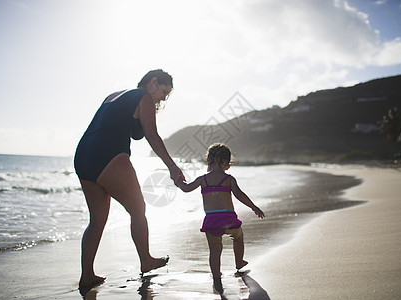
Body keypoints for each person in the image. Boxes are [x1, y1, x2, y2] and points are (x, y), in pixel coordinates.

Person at [74, 69, 185, 294]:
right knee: (138, 209)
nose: (163, 98)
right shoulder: (143, 97)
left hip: (83, 155)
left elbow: (125, 128)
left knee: (96, 220)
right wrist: (172, 166)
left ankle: (87, 276)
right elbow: (151, 135)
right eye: (164, 91)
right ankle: (146, 260)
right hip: (109, 153)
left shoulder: (113, 96)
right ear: (153, 83)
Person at [175, 143, 265, 293]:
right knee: (238, 237)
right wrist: (254, 207)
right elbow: (240, 195)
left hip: (211, 220)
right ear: (225, 163)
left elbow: (186, 188)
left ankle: (216, 275)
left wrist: (178, 181)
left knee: (215, 250)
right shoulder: (229, 179)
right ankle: (239, 262)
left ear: (208, 161)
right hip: (228, 219)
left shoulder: (202, 179)